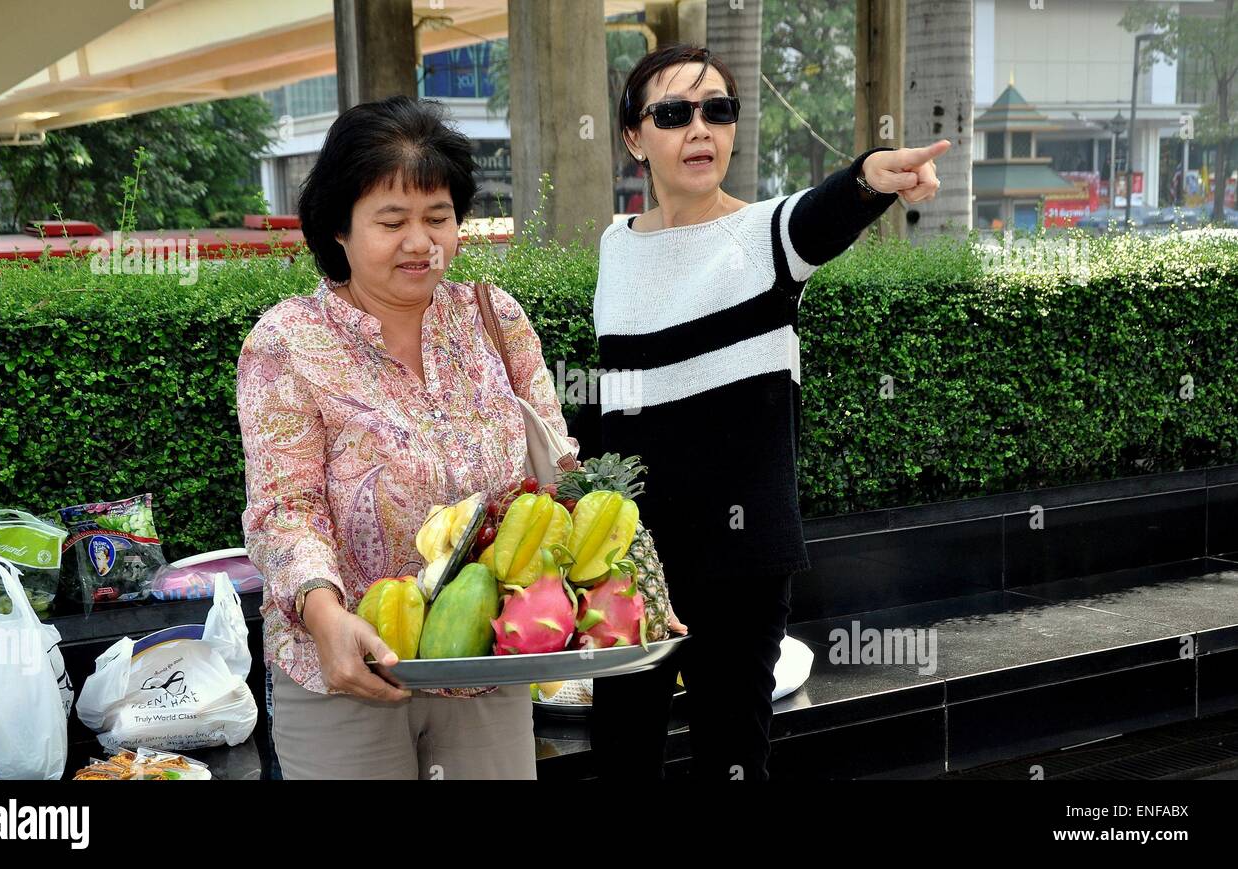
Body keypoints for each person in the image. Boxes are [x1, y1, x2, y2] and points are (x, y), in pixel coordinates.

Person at [589, 44, 947, 781]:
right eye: (674, 113)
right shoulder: (614, 247)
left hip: (740, 562)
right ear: (633, 137)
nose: (700, 129)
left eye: (717, 110)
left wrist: (871, 176)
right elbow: (621, 402)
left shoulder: (765, 237)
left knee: (732, 757)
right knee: (622, 757)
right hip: (632, 559)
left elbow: (821, 216)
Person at [236, 95, 576, 780]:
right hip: (345, 673)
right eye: (392, 221)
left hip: (487, 666)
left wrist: (614, 593)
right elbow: (285, 509)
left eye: (438, 218)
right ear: (339, 227)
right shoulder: (288, 342)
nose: (421, 243)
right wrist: (327, 617)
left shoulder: (494, 317)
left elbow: (556, 476)